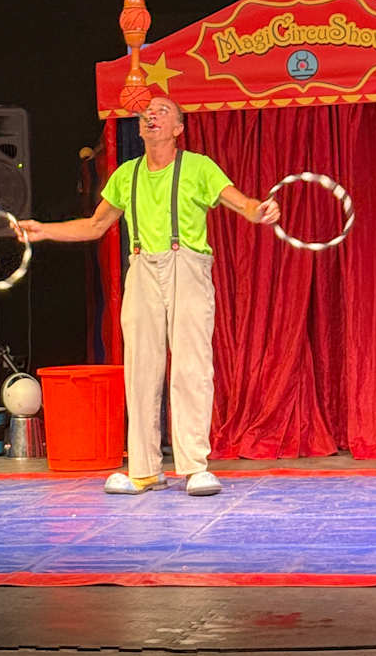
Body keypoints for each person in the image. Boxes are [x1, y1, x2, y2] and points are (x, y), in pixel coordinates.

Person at [18, 97, 280, 497]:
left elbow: (241, 203)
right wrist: (44, 230)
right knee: (140, 368)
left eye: (162, 111)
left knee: (191, 366)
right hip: (142, 268)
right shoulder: (126, 174)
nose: (150, 115)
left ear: (178, 128)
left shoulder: (198, 167)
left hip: (187, 265)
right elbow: (95, 225)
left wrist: (259, 210)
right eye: (147, 113)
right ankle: (143, 470)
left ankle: (194, 467)